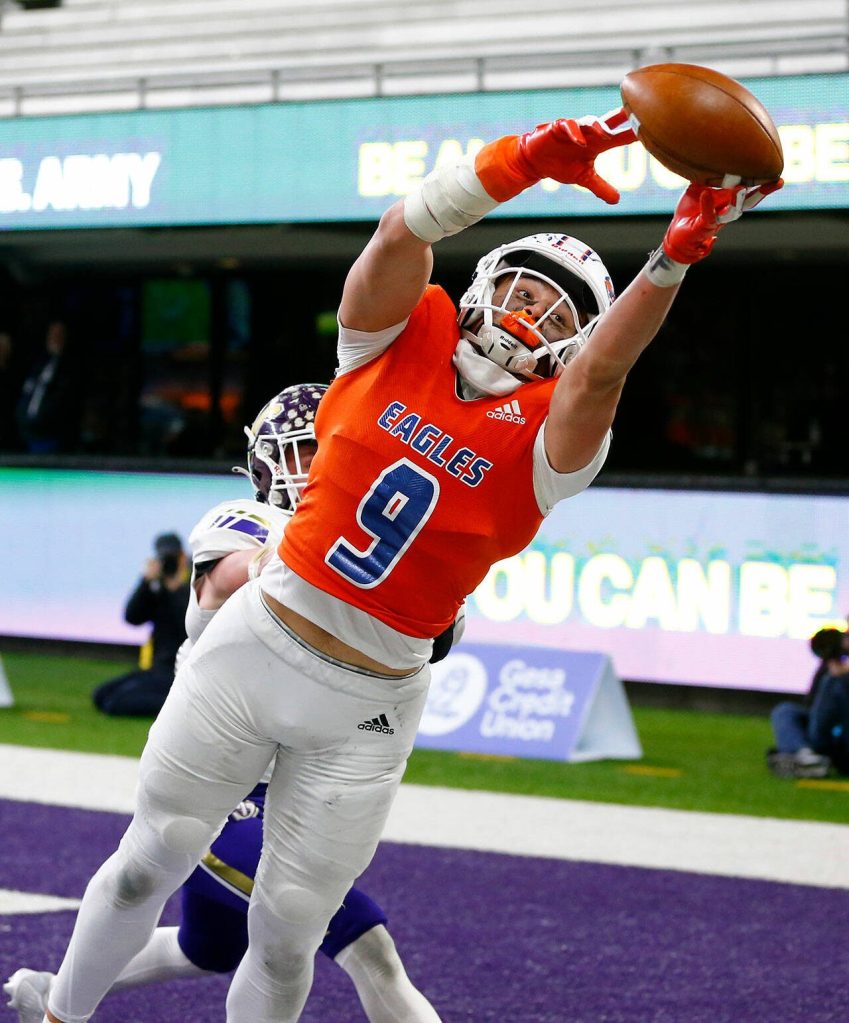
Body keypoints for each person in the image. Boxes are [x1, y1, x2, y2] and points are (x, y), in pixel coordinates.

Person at [31, 107, 783, 1023]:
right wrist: (521, 161)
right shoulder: (397, 335)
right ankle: (64, 1014)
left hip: (374, 697)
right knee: (149, 856)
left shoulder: (555, 435)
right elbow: (402, 230)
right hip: (261, 637)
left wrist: (671, 258)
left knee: (288, 930)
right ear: (482, 281)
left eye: (557, 310)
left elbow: (601, 375)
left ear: (574, 336)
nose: (528, 311)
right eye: (521, 286)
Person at [4, 385, 442, 1023]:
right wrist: (318, 554)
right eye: (310, 451)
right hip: (226, 792)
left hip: (310, 781)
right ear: (268, 466)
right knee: (362, 946)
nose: (325, 465)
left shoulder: (384, 550)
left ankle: (52, 991)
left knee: (205, 948)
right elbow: (233, 571)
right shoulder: (247, 520)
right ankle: (62, 1011)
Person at [91, 532, 190, 717]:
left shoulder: (195, 586)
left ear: (182, 557)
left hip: (178, 673)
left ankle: (187, 706)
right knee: (101, 695)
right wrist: (145, 582)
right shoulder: (158, 589)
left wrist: (175, 587)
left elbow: (188, 627)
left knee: (117, 703)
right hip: (157, 669)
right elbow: (132, 617)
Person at [767, 625, 849, 779]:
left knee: (834, 682)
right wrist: (832, 660)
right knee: (785, 711)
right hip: (824, 732)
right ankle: (805, 754)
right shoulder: (834, 665)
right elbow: (813, 702)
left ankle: (802, 758)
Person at [15, 319, 80, 454]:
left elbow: (64, 402)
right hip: (26, 435)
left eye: (59, 334)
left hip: (50, 438)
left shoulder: (71, 368)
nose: (54, 338)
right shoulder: (38, 364)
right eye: (52, 334)